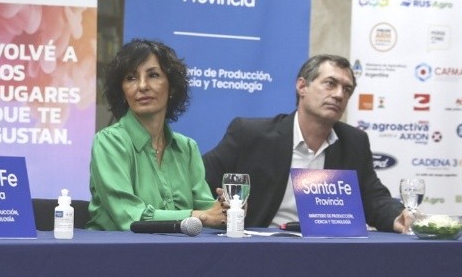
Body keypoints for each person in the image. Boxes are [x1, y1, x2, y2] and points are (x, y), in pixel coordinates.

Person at [202, 54, 411, 233]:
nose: (339, 95)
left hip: (325, 250)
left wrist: (397, 217)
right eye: (330, 84)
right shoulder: (251, 135)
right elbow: (199, 179)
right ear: (302, 86)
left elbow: (374, 198)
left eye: (347, 90)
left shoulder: (354, 142)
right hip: (260, 248)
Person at [87, 39, 225, 231]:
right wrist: (199, 216)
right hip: (115, 254)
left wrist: (227, 210)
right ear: (122, 91)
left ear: (172, 88)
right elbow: (130, 217)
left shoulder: (187, 148)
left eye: (153, 75)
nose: (142, 86)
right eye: (131, 78)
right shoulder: (108, 142)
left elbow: (206, 208)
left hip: (174, 253)